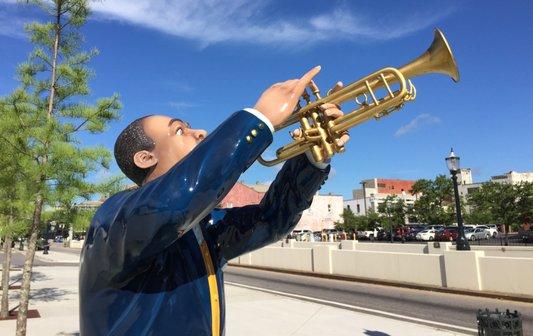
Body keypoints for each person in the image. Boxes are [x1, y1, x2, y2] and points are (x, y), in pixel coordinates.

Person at [79, 67, 349, 336]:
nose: (200, 132)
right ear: (146, 158)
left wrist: (313, 156)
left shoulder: (201, 228)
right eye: (179, 131)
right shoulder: (113, 219)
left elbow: (272, 218)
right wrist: (259, 118)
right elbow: (174, 203)